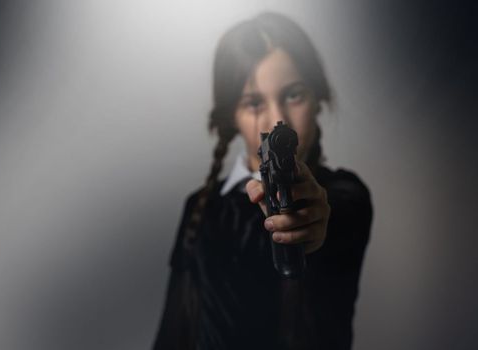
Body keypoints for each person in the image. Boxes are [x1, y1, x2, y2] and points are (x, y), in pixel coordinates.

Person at [152, 12, 373, 350]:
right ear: (231, 118)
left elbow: (335, 216)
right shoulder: (199, 207)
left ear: (319, 98)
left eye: (294, 94)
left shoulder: (344, 194)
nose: (278, 119)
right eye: (254, 102)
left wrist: (310, 215)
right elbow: (174, 331)